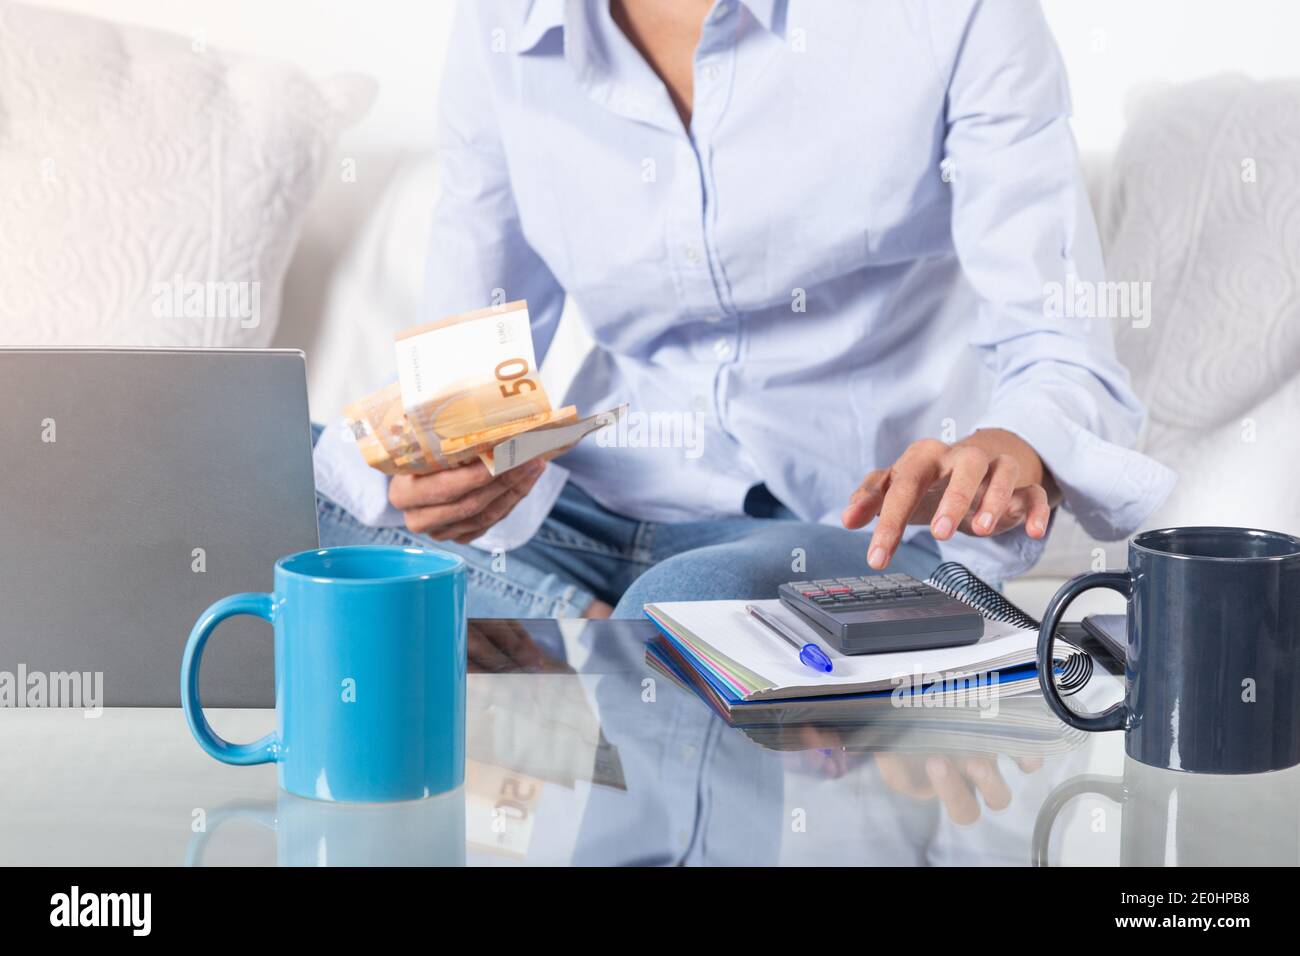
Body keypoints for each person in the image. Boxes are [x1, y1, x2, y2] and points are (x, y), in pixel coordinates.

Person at [314, 0, 1174, 619]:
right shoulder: (503, 25)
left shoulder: (958, 16)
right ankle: (584, 629)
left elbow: (1061, 351)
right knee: (273, 482)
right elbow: (464, 375)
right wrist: (432, 476)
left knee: (687, 607)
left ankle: (533, 623)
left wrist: (1007, 446)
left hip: (839, 533)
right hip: (594, 506)